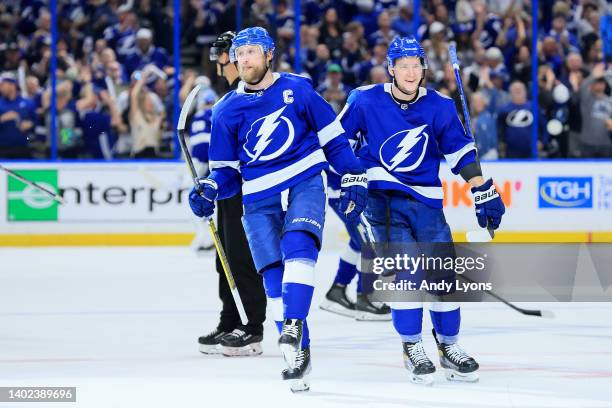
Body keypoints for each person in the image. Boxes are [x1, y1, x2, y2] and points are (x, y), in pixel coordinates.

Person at [188, 27, 367, 392]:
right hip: (258, 196)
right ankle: (299, 356)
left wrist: (353, 175)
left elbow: (332, 138)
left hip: (303, 179)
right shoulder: (225, 110)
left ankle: (294, 327)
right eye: (239, 53)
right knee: (272, 279)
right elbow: (227, 173)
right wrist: (209, 187)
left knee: (299, 249)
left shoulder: (298, 88)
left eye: (251, 51)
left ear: (269, 54)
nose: (244, 58)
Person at [338, 37, 505, 385]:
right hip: (381, 201)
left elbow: (460, 153)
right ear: (391, 69)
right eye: (404, 65)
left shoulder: (441, 106)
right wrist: (349, 177)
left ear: (423, 68)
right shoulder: (364, 99)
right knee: (407, 275)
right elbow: (337, 143)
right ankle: (412, 346)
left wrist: (482, 188)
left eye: (417, 65)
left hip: (427, 202)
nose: (411, 72)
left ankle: (449, 346)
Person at [193, 31, 268, 358]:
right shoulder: (228, 96)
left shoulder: (255, 95)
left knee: (242, 257)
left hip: (248, 190)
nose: (221, 66)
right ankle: (230, 318)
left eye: (224, 58)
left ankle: (252, 326)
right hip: (227, 187)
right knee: (224, 259)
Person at [320, 170, 391, 321]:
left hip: (347, 191)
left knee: (359, 241)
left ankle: (337, 291)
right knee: (369, 241)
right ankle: (365, 298)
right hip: (346, 193)